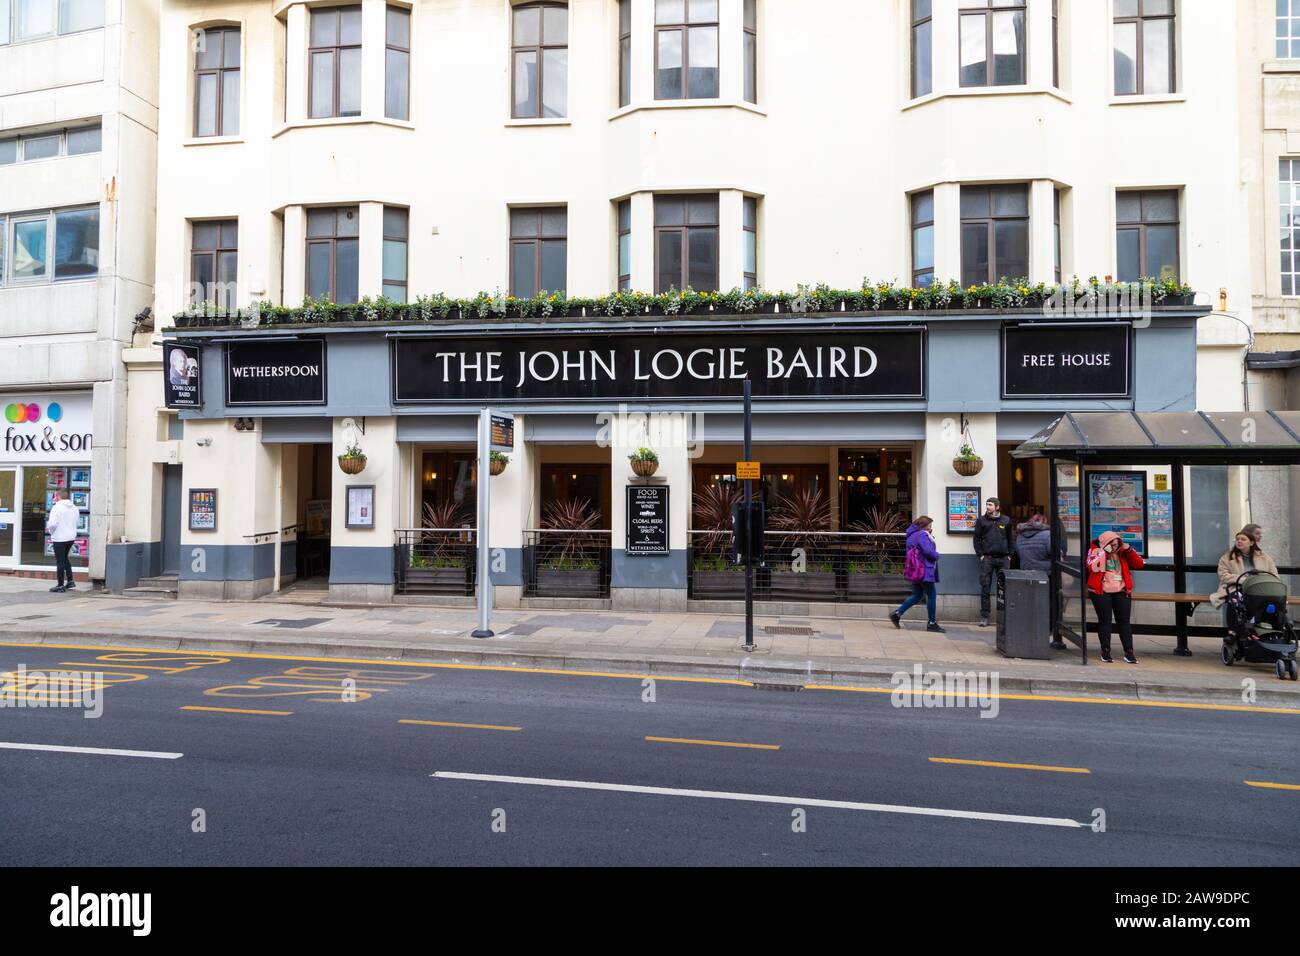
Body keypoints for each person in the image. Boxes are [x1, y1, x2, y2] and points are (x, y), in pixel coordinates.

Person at [1086, 530, 1145, 664]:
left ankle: (1129, 652)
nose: (1114, 547)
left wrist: (1128, 549)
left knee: (1124, 622)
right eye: (1111, 544)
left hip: (1121, 590)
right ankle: (1105, 651)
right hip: (1101, 591)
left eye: (1117, 543)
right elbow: (1092, 567)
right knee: (1105, 621)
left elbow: (1139, 563)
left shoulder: (1122, 552)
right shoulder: (1094, 550)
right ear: (1104, 543)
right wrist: (1104, 552)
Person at [889, 515, 944, 633]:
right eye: (929, 526)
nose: (930, 528)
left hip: (915, 570)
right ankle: (932, 623)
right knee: (932, 595)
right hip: (925, 569)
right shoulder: (923, 535)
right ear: (923, 526)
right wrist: (937, 555)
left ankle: (897, 614)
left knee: (917, 594)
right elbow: (928, 551)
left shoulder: (911, 535)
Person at [1212, 529, 1279, 620]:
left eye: (1243, 539)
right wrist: (1244, 579)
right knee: (1235, 601)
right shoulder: (1227, 558)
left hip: (1260, 588)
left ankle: (1260, 628)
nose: (1239, 541)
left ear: (1251, 543)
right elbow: (1223, 576)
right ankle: (1233, 631)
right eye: (1237, 539)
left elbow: (1274, 575)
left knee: (1268, 601)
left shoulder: (1265, 557)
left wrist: (1259, 580)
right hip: (1235, 587)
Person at [973, 497, 1014, 627]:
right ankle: (985, 616)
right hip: (988, 558)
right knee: (985, 587)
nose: (987, 507)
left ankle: (1006, 616)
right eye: (987, 504)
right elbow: (976, 539)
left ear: (997, 506)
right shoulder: (981, 520)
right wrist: (980, 555)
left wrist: (1010, 554)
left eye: (990, 505)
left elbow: (1011, 538)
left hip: (1003, 558)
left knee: (1005, 587)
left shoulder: (1006, 520)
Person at [45, 490, 80, 593]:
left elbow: (52, 524)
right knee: (65, 558)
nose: (54, 497)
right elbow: (76, 521)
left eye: (55, 495)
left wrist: (51, 532)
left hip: (59, 538)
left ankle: (60, 585)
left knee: (60, 560)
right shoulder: (74, 507)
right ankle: (70, 581)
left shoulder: (57, 508)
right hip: (70, 537)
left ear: (58, 496)